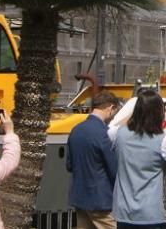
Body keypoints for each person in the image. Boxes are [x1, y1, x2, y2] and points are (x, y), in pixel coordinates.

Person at [109, 89, 166, 229]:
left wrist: (137, 112)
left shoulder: (119, 135)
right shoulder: (162, 141)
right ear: (159, 113)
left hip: (124, 212)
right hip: (151, 214)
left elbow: (111, 129)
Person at [67, 91, 121, 229]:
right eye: (114, 112)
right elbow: (113, 168)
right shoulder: (103, 134)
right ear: (110, 108)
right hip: (100, 200)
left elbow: (69, 165)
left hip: (79, 197)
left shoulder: (76, 130)